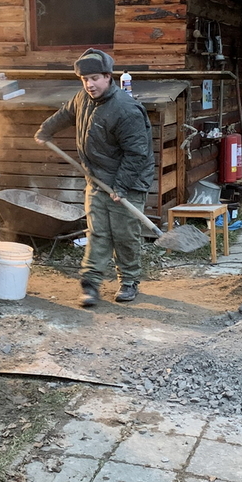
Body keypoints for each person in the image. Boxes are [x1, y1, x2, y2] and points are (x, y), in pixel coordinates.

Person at [35, 49, 155, 306]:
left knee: (124, 234)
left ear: (108, 76)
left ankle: (129, 281)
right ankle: (90, 284)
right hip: (97, 178)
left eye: (94, 78)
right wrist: (46, 130)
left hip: (129, 180)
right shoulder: (83, 98)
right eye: (85, 79)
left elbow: (137, 154)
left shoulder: (126, 110)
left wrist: (121, 186)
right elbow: (66, 114)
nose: (89, 84)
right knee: (98, 232)